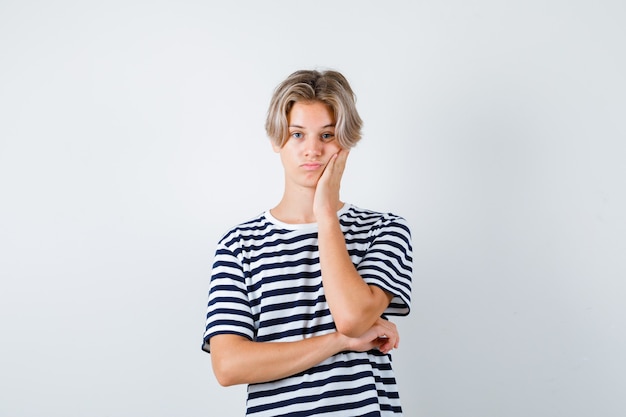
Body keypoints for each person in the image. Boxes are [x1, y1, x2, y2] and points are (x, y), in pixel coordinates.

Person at [202, 69, 413, 416]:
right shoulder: (239, 244)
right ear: (277, 140)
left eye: (327, 134)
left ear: (346, 141)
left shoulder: (383, 229)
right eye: (297, 134)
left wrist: (326, 215)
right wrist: (339, 343)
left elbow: (353, 319)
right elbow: (229, 366)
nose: (312, 149)